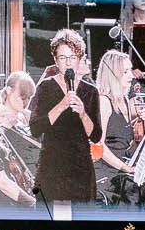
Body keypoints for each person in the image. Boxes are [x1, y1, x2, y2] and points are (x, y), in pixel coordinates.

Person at [29, 28, 103, 204]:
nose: (68, 63)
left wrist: (84, 114)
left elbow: (96, 135)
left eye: (72, 57)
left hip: (81, 170)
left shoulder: (90, 91)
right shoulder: (45, 88)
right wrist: (61, 105)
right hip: (53, 167)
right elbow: (35, 128)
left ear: (79, 59)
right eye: (63, 58)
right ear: (55, 60)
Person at [92, 49, 143, 203]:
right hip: (107, 174)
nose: (131, 76)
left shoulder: (125, 101)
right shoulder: (104, 102)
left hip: (121, 171)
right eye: (125, 72)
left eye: (131, 71)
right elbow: (98, 147)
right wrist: (125, 168)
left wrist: (142, 115)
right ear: (113, 74)